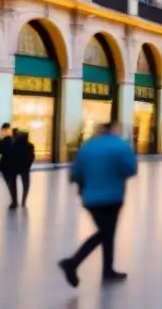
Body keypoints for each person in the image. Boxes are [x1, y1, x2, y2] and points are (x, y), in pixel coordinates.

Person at [58, 122, 138, 287]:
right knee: (106, 233)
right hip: (113, 197)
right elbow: (131, 169)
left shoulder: (87, 147)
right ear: (113, 131)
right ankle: (72, 263)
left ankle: (107, 270)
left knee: (106, 233)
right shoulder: (120, 145)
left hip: (91, 198)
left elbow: (75, 173)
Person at [10, 130, 36, 207]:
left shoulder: (14, 145)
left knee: (13, 184)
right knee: (26, 184)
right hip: (25, 168)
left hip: (15, 167)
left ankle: (15, 201)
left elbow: (10, 156)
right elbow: (32, 156)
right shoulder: (30, 146)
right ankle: (23, 201)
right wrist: (28, 164)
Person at [0, 124, 18, 208]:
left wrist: (0, 140)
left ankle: (14, 200)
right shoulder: (14, 141)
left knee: (10, 183)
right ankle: (14, 200)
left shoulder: (4, 141)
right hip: (12, 164)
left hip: (5, 165)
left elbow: (0, 151)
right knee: (13, 183)